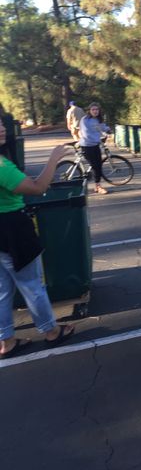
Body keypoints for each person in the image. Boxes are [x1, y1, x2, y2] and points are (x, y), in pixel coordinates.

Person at [0, 117, 75, 359]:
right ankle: (52, 331)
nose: (2, 129)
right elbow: (38, 187)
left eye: (1, 124)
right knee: (32, 285)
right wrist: (54, 159)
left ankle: (6, 341)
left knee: (2, 289)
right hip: (12, 231)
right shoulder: (1, 167)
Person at [78, 102, 111, 195]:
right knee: (95, 166)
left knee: (99, 165)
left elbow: (102, 127)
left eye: (97, 109)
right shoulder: (85, 120)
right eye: (93, 109)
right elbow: (86, 133)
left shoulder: (98, 119)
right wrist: (99, 139)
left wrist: (108, 130)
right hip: (87, 146)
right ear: (89, 111)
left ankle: (97, 185)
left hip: (95, 145)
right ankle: (98, 186)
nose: (95, 111)